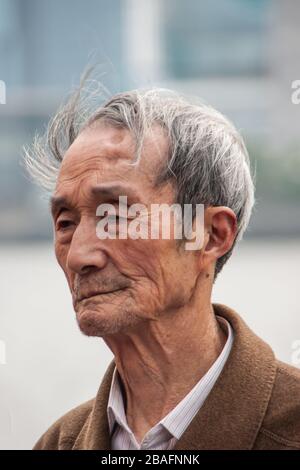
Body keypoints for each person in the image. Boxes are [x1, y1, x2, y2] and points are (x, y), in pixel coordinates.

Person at [24, 86, 300, 450]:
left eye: (117, 215)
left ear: (212, 235)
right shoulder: (60, 442)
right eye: (65, 223)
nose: (78, 257)